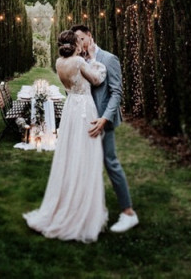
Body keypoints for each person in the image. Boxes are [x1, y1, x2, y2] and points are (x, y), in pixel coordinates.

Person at [23, 30, 109, 242]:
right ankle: (80, 209)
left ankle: (69, 199)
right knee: (85, 153)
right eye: (79, 41)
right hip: (84, 108)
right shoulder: (79, 61)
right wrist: (96, 62)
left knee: (71, 152)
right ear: (75, 44)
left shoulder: (59, 62)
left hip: (71, 107)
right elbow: (96, 80)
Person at [71, 24, 139, 233]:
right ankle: (86, 210)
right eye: (76, 40)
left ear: (90, 36)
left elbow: (116, 92)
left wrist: (104, 119)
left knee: (110, 162)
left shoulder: (109, 59)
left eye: (81, 39)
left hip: (102, 121)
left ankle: (128, 213)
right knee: (84, 165)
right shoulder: (78, 60)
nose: (79, 43)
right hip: (85, 121)